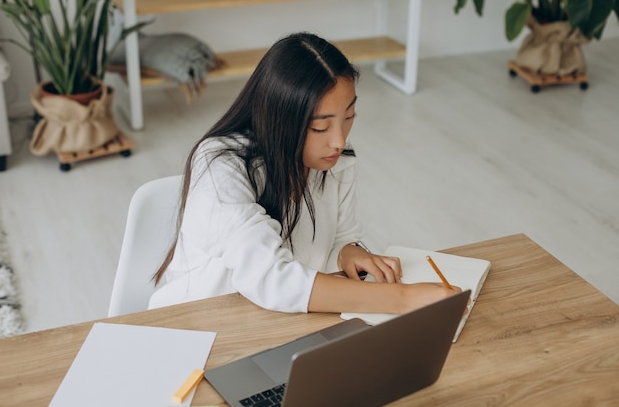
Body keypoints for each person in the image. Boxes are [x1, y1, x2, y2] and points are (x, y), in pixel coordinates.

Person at [148, 32, 461, 313]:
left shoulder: (336, 159)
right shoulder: (219, 164)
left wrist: (347, 253)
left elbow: (340, 235)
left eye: (349, 116)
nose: (339, 141)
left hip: (272, 320)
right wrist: (404, 299)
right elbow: (271, 277)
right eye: (320, 127)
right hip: (196, 323)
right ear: (280, 118)